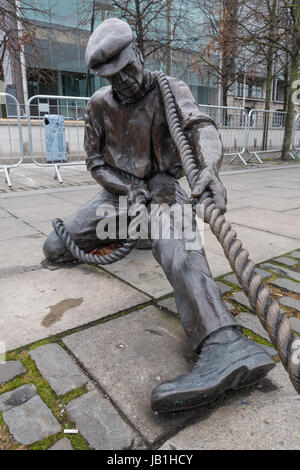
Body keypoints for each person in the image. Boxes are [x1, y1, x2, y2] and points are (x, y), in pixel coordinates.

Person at [43, 18, 274, 413]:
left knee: (180, 243)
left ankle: (224, 343)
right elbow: (95, 162)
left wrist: (209, 172)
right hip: (120, 193)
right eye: (114, 77)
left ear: (140, 54)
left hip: (164, 186)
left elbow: (202, 128)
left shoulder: (170, 89)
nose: (126, 81)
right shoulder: (100, 104)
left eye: (128, 69)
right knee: (55, 248)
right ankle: (140, 232)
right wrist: (126, 189)